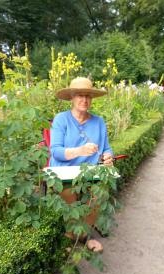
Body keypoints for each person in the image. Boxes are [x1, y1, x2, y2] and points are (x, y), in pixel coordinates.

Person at [50, 77, 113, 252]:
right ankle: (71, 237)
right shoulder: (61, 119)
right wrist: (79, 151)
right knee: (70, 193)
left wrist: (108, 157)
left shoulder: (98, 121)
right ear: (72, 97)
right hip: (64, 173)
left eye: (87, 96)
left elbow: (107, 148)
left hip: (90, 173)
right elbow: (55, 151)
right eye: (79, 95)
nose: (84, 100)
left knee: (98, 194)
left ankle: (85, 235)